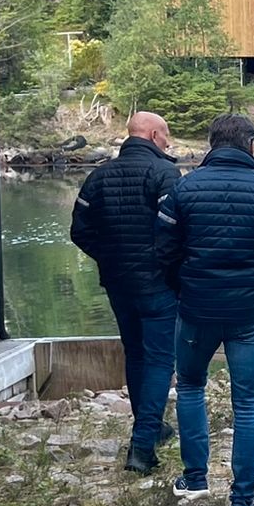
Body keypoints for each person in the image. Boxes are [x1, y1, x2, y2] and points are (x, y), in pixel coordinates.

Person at [155, 113, 254, 506]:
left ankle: (196, 479)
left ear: (211, 143)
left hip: (196, 307)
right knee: (248, 404)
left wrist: (180, 288)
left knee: (190, 388)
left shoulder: (184, 188)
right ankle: (242, 502)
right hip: (250, 311)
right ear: (250, 145)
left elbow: (163, 248)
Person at [69, 111, 181, 472]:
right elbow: (175, 230)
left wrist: (111, 259)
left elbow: (80, 232)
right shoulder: (163, 173)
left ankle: (150, 426)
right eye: (165, 135)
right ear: (150, 135)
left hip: (118, 282)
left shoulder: (98, 176)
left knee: (135, 354)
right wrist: (166, 265)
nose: (168, 142)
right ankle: (142, 445)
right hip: (157, 283)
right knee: (161, 358)